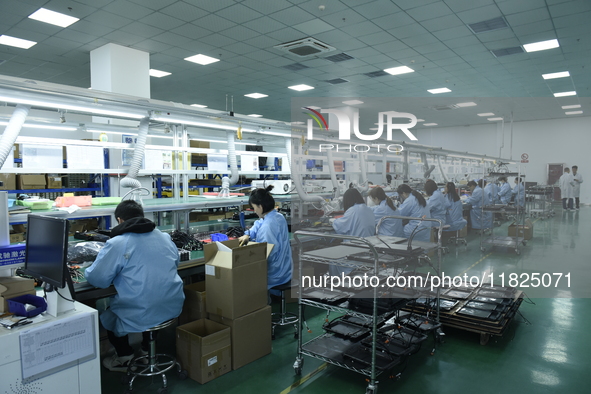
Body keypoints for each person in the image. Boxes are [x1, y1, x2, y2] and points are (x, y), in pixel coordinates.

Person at [85, 200, 185, 372]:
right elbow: (174, 262)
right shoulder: (164, 237)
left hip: (142, 310)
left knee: (110, 314)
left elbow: (97, 279)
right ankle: (147, 352)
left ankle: (124, 358)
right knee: (152, 302)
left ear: (119, 220)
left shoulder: (118, 243)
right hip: (171, 305)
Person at [238, 186, 292, 292]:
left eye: (254, 208)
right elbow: (259, 222)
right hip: (286, 270)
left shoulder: (267, 227)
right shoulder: (278, 216)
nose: (254, 211)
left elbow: (266, 255)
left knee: (240, 274)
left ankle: (261, 302)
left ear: (261, 207)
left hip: (274, 275)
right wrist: (248, 234)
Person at [330, 188, 376, 275]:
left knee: (332, 260)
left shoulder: (353, 210)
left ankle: (335, 284)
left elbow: (341, 226)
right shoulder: (368, 209)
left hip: (354, 249)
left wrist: (333, 221)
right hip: (368, 248)